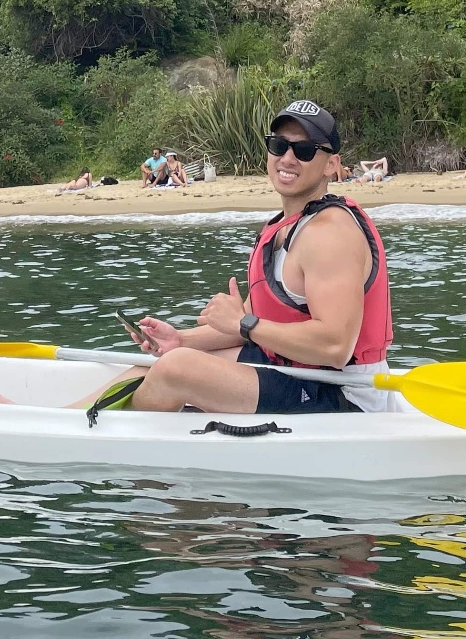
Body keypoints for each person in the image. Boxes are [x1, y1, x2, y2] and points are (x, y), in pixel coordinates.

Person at [125, 100, 397, 415]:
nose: (288, 158)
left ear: (330, 165)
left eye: (304, 150)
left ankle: (104, 445)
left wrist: (245, 323)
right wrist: (180, 339)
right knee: (149, 367)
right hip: (292, 370)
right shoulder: (283, 227)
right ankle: (71, 420)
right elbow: (255, 319)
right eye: (279, 145)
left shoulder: (330, 234)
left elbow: (335, 347)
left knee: (176, 370)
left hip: (342, 393)